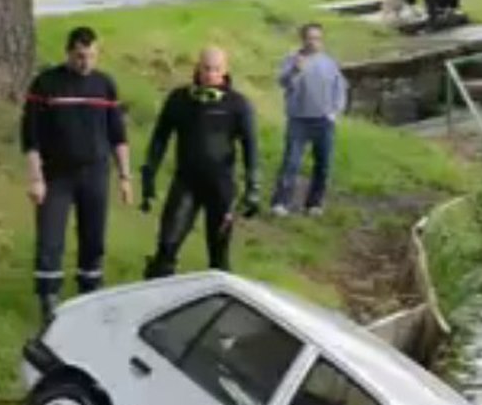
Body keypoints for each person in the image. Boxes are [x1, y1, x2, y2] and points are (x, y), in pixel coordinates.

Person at [20, 26, 132, 324]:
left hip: (95, 173)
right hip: (56, 174)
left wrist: (125, 177)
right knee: (50, 237)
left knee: (93, 237)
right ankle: (48, 297)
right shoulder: (46, 84)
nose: (86, 62)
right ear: (69, 52)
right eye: (81, 56)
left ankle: (90, 290)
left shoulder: (105, 85)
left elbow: (118, 136)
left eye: (92, 56)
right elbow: (30, 137)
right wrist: (35, 178)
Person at [140, 47, 259, 279]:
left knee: (218, 255)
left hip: (221, 187)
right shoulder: (179, 99)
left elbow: (250, 146)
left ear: (225, 71)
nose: (210, 74)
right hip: (186, 182)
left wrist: (253, 186)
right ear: (197, 67)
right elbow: (159, 138)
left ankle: (218, 306)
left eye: (216, 70)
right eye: (205, 68)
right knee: (167, 246)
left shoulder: (237, 104)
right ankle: (156, 297)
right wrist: (149, 173)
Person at [270, 23, 347, 218]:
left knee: (323, 164)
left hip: (323, 120)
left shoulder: (329, 62)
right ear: (302, 39)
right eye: (310, 38)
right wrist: (295, 70)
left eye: (317, 38)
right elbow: (282, 82)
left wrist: (335, 112)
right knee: (292, 162)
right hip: (298, 120)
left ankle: (314, 203)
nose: (313, 42)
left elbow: (340, 88)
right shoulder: (292, 59)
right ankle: (281, 202)